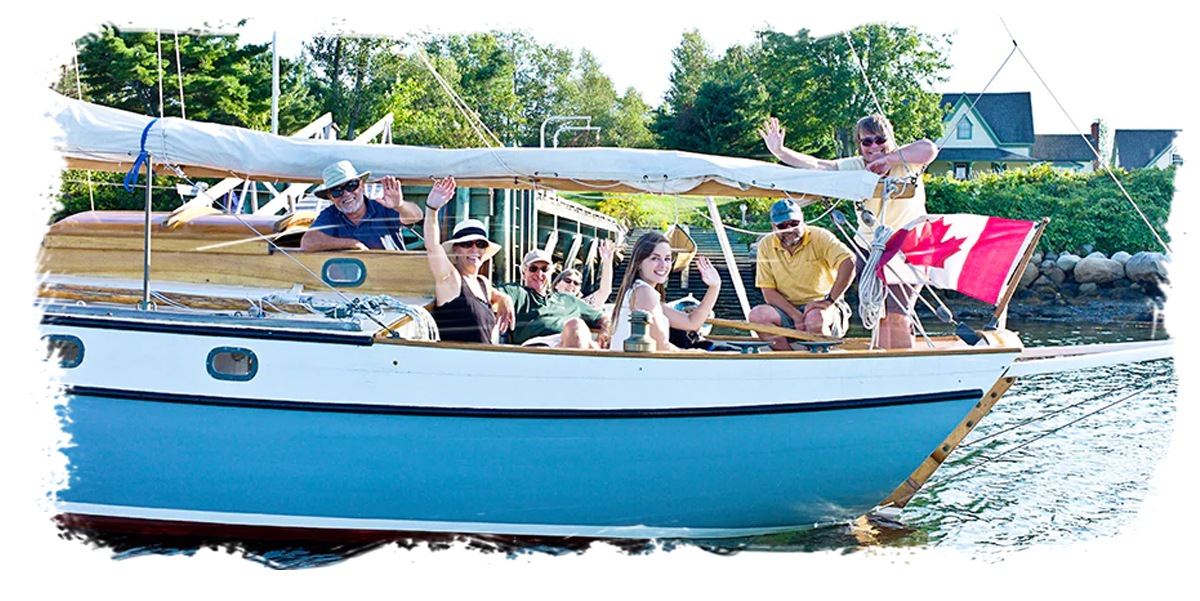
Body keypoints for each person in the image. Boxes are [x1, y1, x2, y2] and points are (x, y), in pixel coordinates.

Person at [759, 114, 937, 349]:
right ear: (859, 145)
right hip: (869, 247)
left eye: (880, 140)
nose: (874, 146)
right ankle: (868, 353)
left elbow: (930, 149)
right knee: (874, 308)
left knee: (897, 311)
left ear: (890, 140)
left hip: (909, 245)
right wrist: (781, 152)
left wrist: (889, 160)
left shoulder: (906, 160)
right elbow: (819, 165)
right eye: (867, 142)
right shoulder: (854, 167)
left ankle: (900, 363)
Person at [747, 199, 856, 351]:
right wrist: (795, 316)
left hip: (824, 307)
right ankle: (788, 360)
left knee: (815, 318)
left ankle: (823, 359)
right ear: (773, 226)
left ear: (803, 220)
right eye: (782, 226)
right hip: (787, 310)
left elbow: (849, 261)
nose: (789, 229)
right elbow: (769, 293)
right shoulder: (766, 245)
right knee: (757, 316)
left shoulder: (821, 236)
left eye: (794, 223)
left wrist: (829, 300)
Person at [422, 176, 514, 343]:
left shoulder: (483, 284)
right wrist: (432, 209)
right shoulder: (452, 280)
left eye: (480, 244)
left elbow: (494, 294)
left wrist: (504, 298)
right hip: (460, 363)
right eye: (466, 244)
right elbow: (432, 247)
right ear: (456, 250)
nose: (474, 249)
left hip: (484, 360)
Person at [609, 232, 721, 352]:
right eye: (655, 258)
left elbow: (692, 323)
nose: (663, 265)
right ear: (639, 263)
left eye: (667, 258)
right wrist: (696, 352)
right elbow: (661, 347)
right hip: (636, 367)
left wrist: (714, 287)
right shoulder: (644, 293)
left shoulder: (642, 291)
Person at [496, 249, 611, 349]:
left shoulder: (570, 300)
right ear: (523, 273)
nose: (539, 274)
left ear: (551, 272)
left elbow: (603, 318)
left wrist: (605, 331)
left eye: (544, 269)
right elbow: (485, 290)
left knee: (582, 333)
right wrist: (502, 297)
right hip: (536, 346)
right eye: (533, 268)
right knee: (576, 326)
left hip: (570, 341)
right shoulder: (517, 292)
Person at [300, 160, 423, 251]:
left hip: (393, 276)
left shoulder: (382, 206)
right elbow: (308, 242)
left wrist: (399, 205)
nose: (346, 193)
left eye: (351, 185)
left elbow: (416, 216)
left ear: (362, 186)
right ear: (330, 197)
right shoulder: (330, 215)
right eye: (337, 191)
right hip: (353, 283)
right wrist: (352, 243)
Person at [551, 238, 616, 308]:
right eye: (567, 280)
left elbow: (604, 291)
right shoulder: (546, 304)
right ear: (556, 284)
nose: (571, 284)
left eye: (576, 283)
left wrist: (607, 262)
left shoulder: (583, 306)